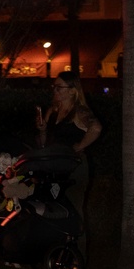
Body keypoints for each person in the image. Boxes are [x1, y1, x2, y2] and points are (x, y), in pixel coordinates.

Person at [35, 71, 102, 231]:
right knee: (53, 209)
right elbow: (45, 144)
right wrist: (43, 130)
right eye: (54, 87)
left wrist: (79, 146)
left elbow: (96, 128)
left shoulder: (79, 111)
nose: (55, 90)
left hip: (74, 168)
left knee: (75, 210)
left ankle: (76, 252)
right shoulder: (52, 111)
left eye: (59, 87)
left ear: (72, 90)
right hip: (54, 168)